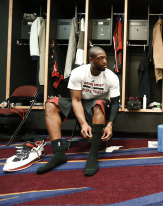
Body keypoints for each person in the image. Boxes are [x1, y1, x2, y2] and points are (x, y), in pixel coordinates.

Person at [37, 46, 120, 176]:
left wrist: (110, 125)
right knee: (50, 104)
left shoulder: (111, 77)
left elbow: (115, 103)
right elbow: (76, 100)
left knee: (99, 104)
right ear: (91, 60)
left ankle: (93, 156)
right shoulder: (78, 72)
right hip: (79, 102)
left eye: (105, 58)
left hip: (97, 106)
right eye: (101, 58)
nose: (105, 61)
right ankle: (58, 154)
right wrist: (83, 124)